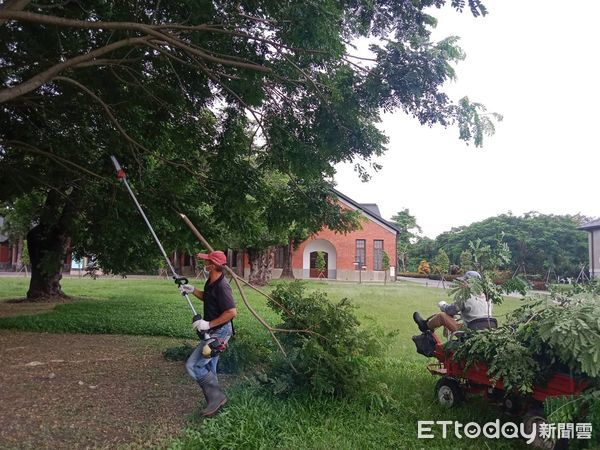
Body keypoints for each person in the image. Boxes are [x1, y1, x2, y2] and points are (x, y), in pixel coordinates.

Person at [180, 250, 237, 417]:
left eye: (206, 262)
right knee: (210, 367)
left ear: (212, 266)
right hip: (213, 330)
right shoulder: (211, 281)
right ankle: (216, 404)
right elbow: (209, 298)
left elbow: (232, 312)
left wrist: (208, 324)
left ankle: (217, 398)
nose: (204, 264)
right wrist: (193, 290)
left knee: (193, 365)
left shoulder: (222, 286)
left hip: (219, 332)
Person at [413, 271, 496, 335]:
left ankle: (425, 326)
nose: (461, 284)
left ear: (470, 283)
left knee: (442, 316)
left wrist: (442, 305)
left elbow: (450, 310)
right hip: (486, 332)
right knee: (453, 316)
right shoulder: (488, 299)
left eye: (464, 282)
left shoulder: (465, 297)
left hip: (469, 334)